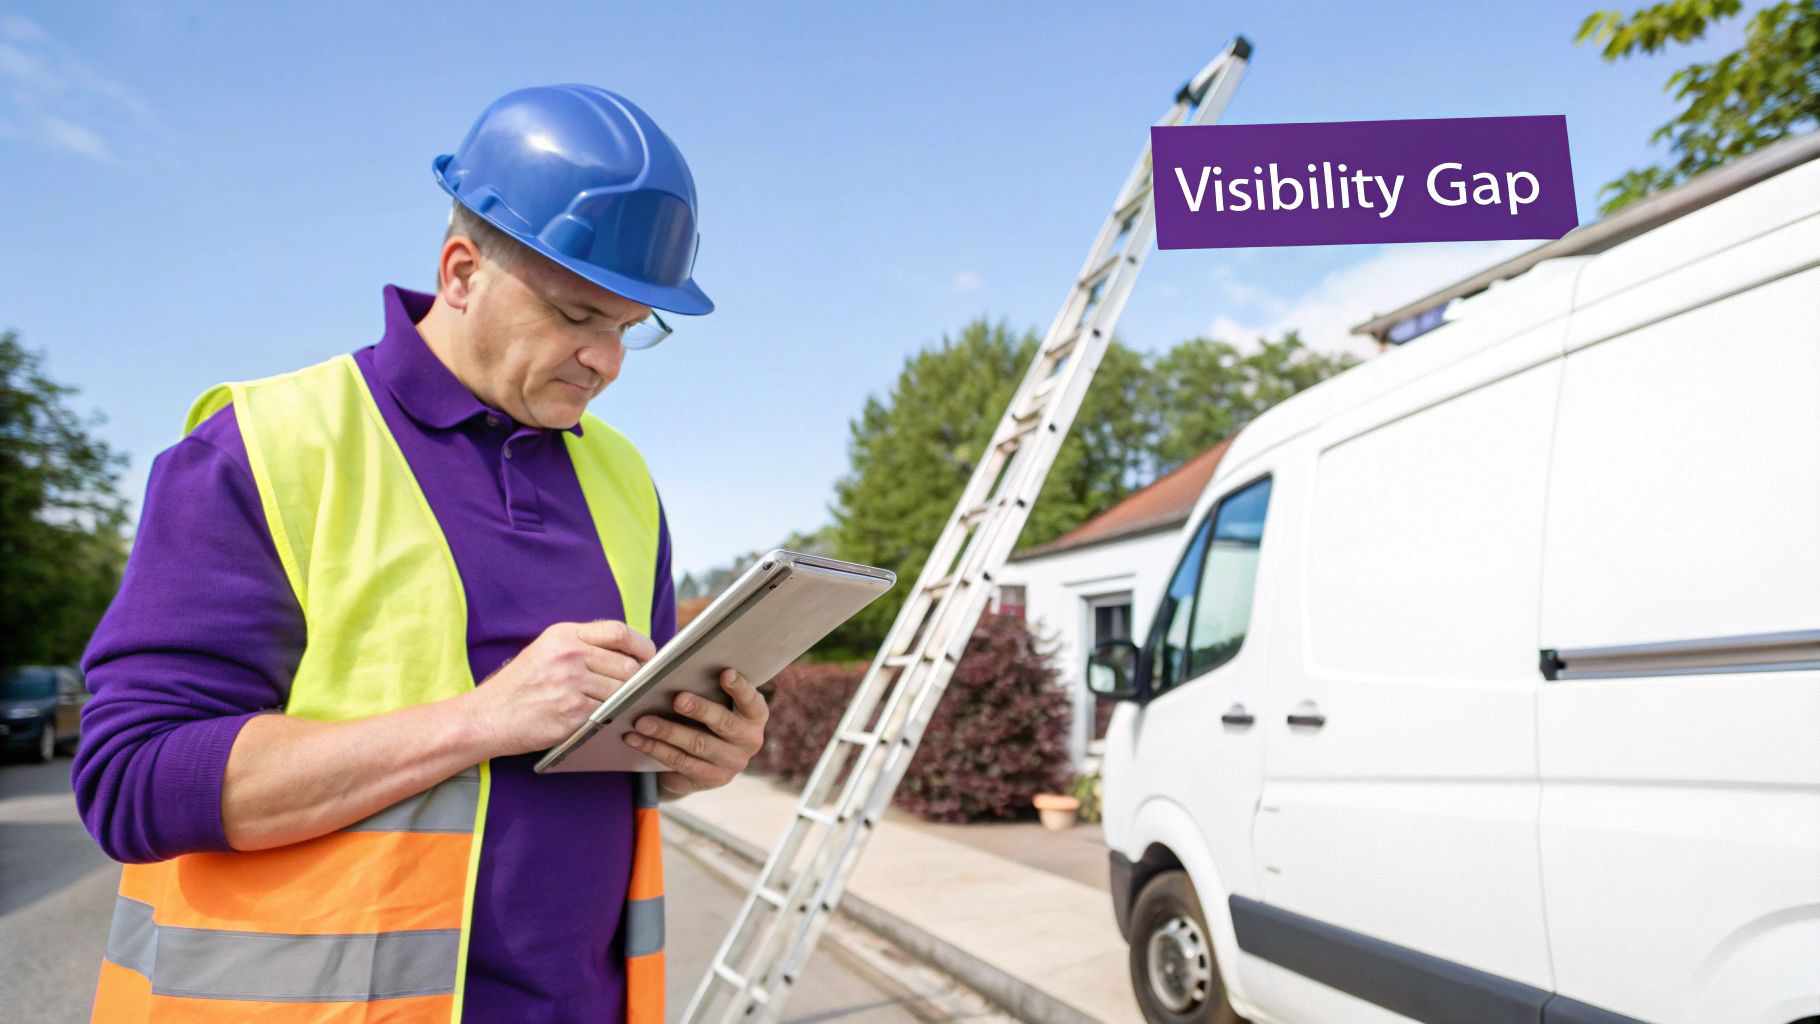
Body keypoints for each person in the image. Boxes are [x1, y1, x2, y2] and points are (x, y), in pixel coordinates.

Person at [71, 84, 762, 1024]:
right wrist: (480, 719)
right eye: (575, 316)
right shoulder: (264, 447)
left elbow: (600, 752)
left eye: (630, 328)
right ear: (461, 271)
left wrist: (687, 753)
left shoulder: (625, 480)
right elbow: (132, 780)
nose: (605, 361)